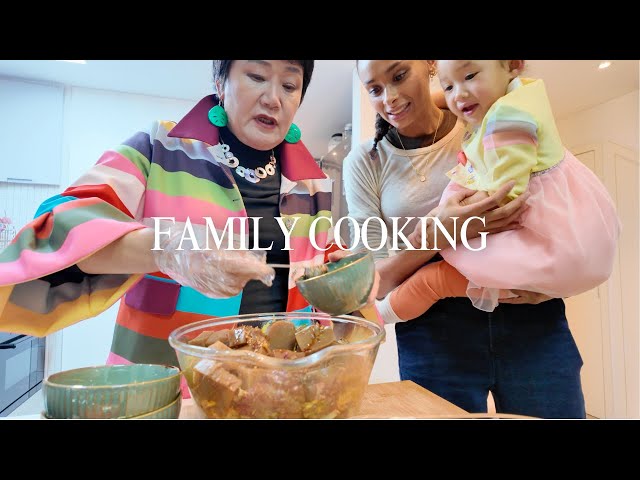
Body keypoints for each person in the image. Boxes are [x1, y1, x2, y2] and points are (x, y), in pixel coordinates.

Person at [0, 60, 377, 397]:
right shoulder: (157, 147)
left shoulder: (314, 182)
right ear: (220, 79)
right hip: (163, 393)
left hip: (278, 390)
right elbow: (57, 225)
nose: (273, 98)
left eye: (290, 86)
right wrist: (165, 247)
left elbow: (313, 266)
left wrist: (345, 275)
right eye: (257, 76)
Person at [344, 59, 588, 418]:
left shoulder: (484, 112)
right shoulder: (366, 161)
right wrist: (442, 233)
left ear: (429, 65)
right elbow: (375, 280)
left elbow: (549, 195)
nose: (390, 98)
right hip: (434, 328)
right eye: (374, 89)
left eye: (399, 76)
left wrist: (554, 279)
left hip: (530, 314)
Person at [383, 60, 620, 320]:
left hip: (542, 236)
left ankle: (380, 317)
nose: (458, 95)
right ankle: (382, 315)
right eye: (448, 86)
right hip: (565, 232)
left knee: (432, 281)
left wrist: (439, 224)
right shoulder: (517, 97)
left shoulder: (507, 118)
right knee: (433, 281)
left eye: (470, 75)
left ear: (513, 64)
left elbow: (502, 194)